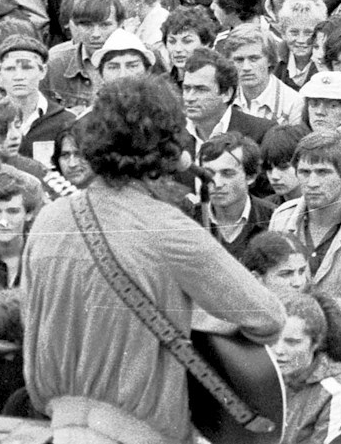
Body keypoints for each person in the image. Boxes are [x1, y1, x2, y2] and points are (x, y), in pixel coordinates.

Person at [23, 75, 287, 444]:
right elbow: (267, 318)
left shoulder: (49, 219)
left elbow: (33, 319)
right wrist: (192, 318)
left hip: (60, 426)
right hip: (137, 432)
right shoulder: (166, 228)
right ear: (168, 148)